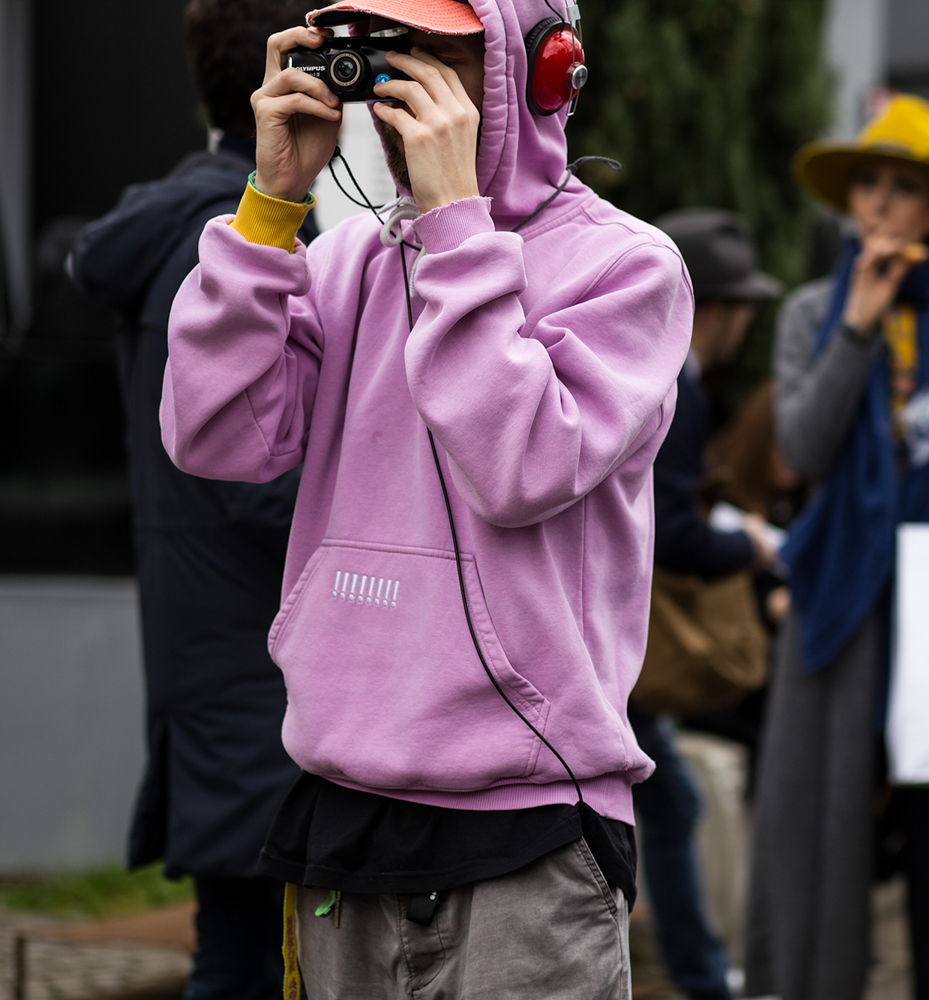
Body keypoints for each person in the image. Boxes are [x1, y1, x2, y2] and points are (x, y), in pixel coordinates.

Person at [160, 0, 693, 994]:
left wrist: (456, 231)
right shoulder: (348, 259)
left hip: (529, 823)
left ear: (538, 70)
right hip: (341, 805)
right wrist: (270, 208)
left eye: (439, 53)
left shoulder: (627, 267)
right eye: (385, 49)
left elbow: (520, 463)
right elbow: (214, 435)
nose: (402, 83)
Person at [745, 93, 929, 1000]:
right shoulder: (812, 312)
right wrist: (858, 327)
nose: (876, 201)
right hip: (843, 595)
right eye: (866, 182)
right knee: (821, 830)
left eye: (902, 187)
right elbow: (802, 450)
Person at [69, 2, 312, 996]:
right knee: (253, 959)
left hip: (211, 648)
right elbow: (249, 472)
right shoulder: (230, 243)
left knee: (240, 948)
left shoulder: (177, 224)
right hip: (258, 660)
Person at [635, 208, 782, 1000]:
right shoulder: (676, 382)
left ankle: (696, 971)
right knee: (667, 805)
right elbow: (670, 533)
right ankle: (700, 978)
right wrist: (748, 548)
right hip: (619, 635)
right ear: (715, 308)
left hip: (601, 630)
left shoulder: (642, 363)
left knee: (670, 802)